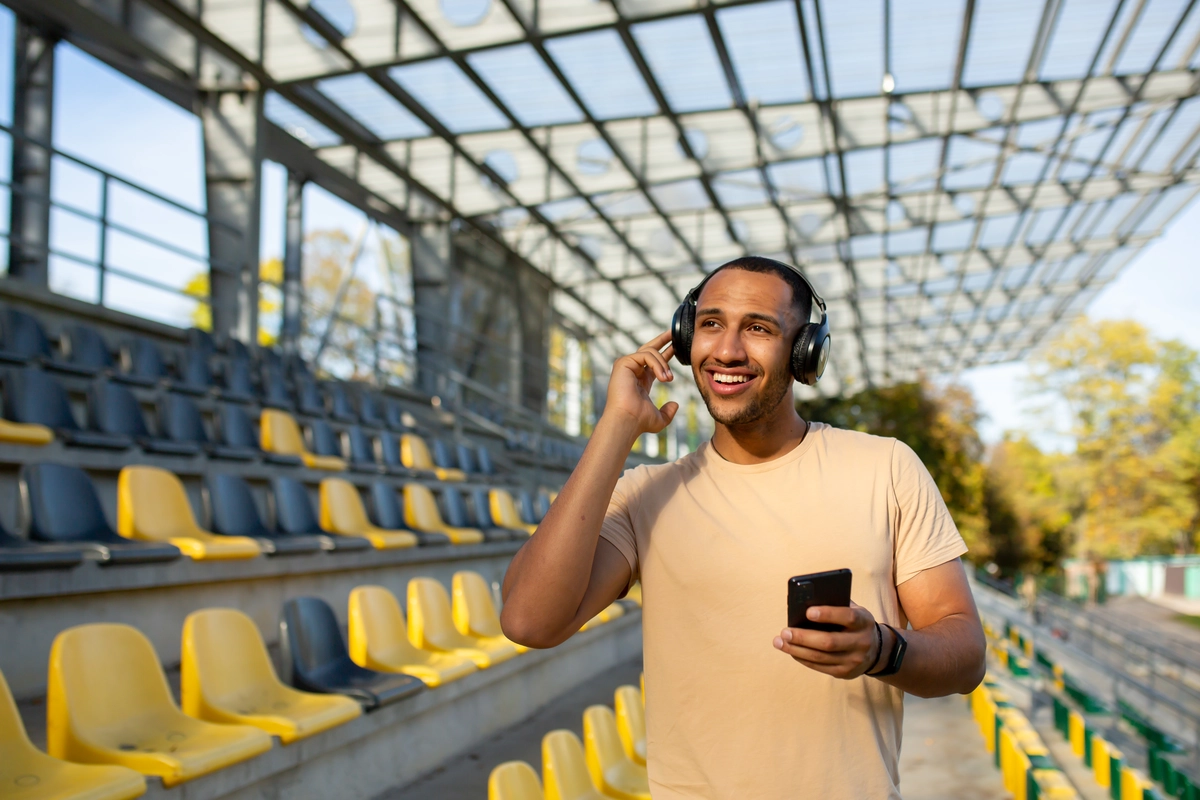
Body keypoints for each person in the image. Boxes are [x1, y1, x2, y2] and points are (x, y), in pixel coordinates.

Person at [500, 256, 986, 799]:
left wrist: (883, 650)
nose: (727, 350)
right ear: (685, 340)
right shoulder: (646, 496)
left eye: (758, 328)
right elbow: (528, 621)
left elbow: (964, 652)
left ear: (806, 352)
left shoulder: (886, 467)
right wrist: (616, 426)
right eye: (710, 324)